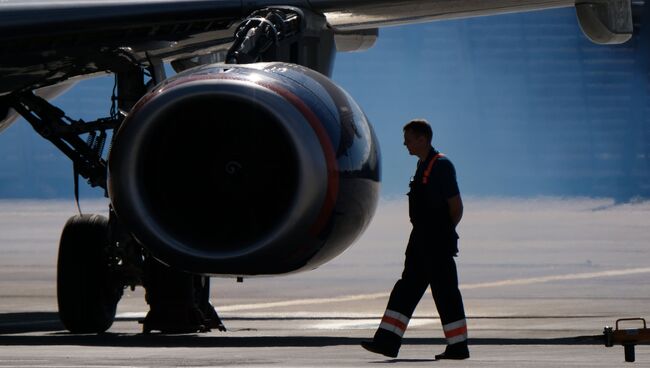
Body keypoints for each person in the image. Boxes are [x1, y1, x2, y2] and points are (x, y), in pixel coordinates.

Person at [361, 119, 469, 360]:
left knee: (446, 293)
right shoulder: (423, 165)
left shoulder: (441, 166)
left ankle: (458, 346)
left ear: (423, 139)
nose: (404, 144)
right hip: (420, 240)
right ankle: (387, 341)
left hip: (435, 243)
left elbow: (456, 207)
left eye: (409, 139)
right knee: (406, 289)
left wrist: (442, 233)